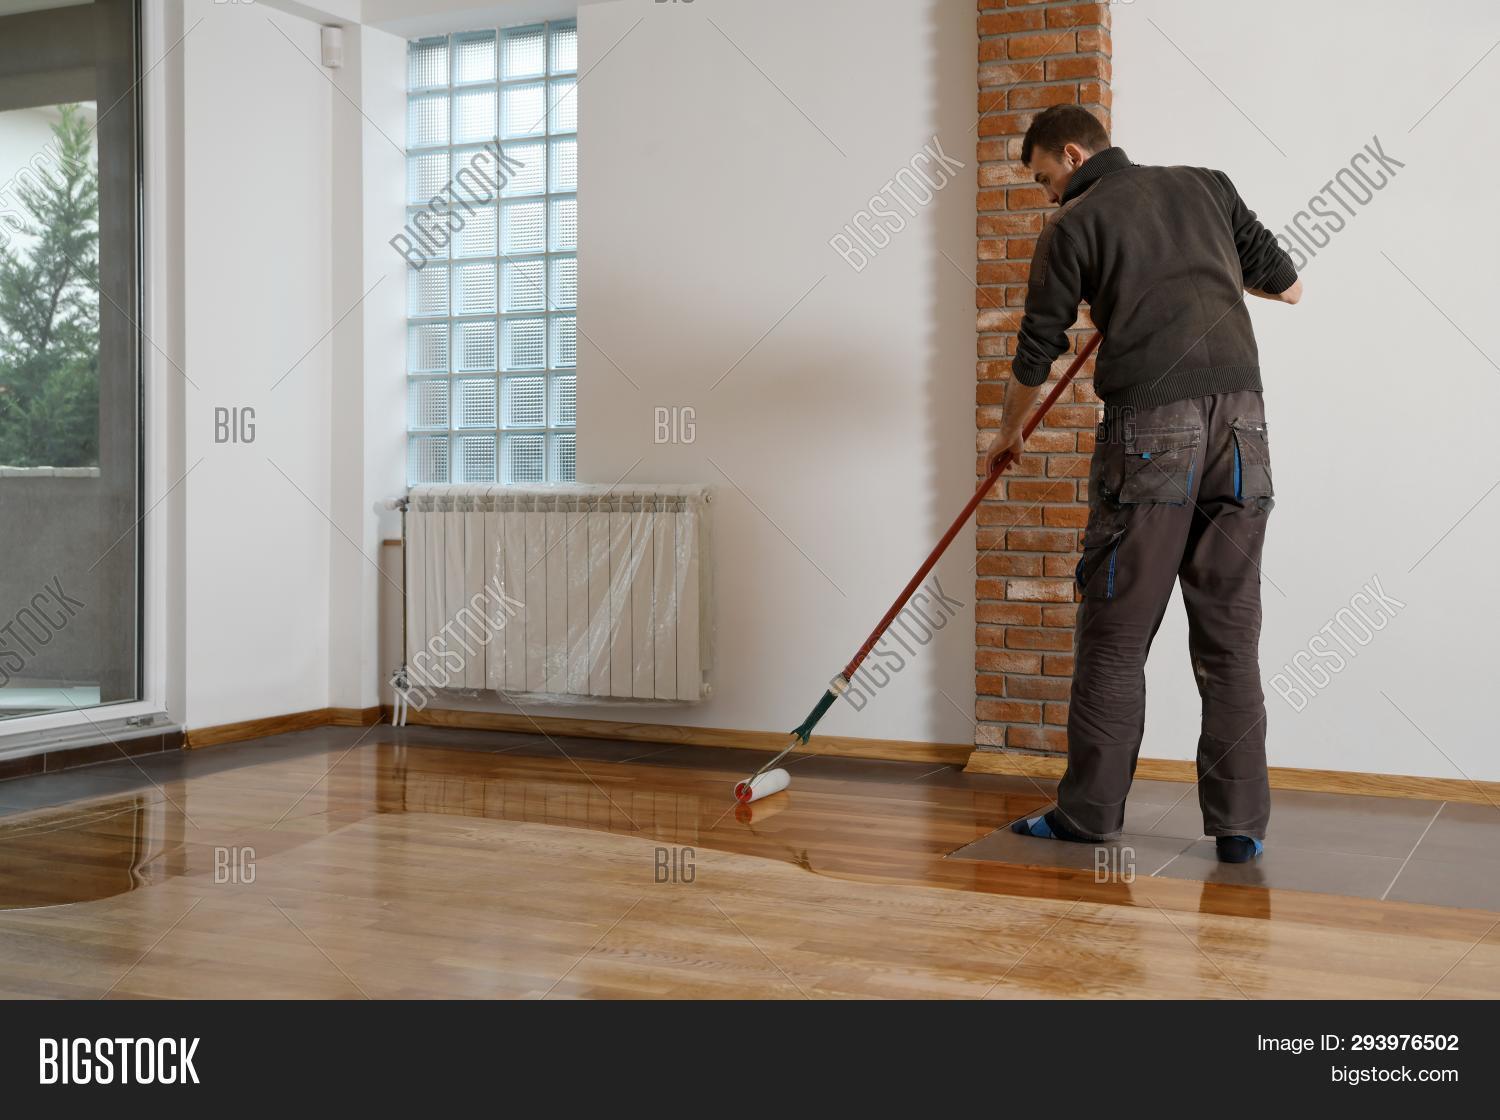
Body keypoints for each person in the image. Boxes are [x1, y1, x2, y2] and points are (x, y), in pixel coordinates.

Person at [991, 105, 1301, 863]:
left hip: (1154, 430)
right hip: (1244, 429)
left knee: (1116, 634)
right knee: (1229, 638)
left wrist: (1008, 433)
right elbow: (1289, 288)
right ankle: (1240, 827)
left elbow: (1038, 349)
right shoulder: (1207, 187)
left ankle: (1089, 815)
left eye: (1043, 179)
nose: (1047, 197)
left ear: (1071, 153)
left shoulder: (1074, 225)